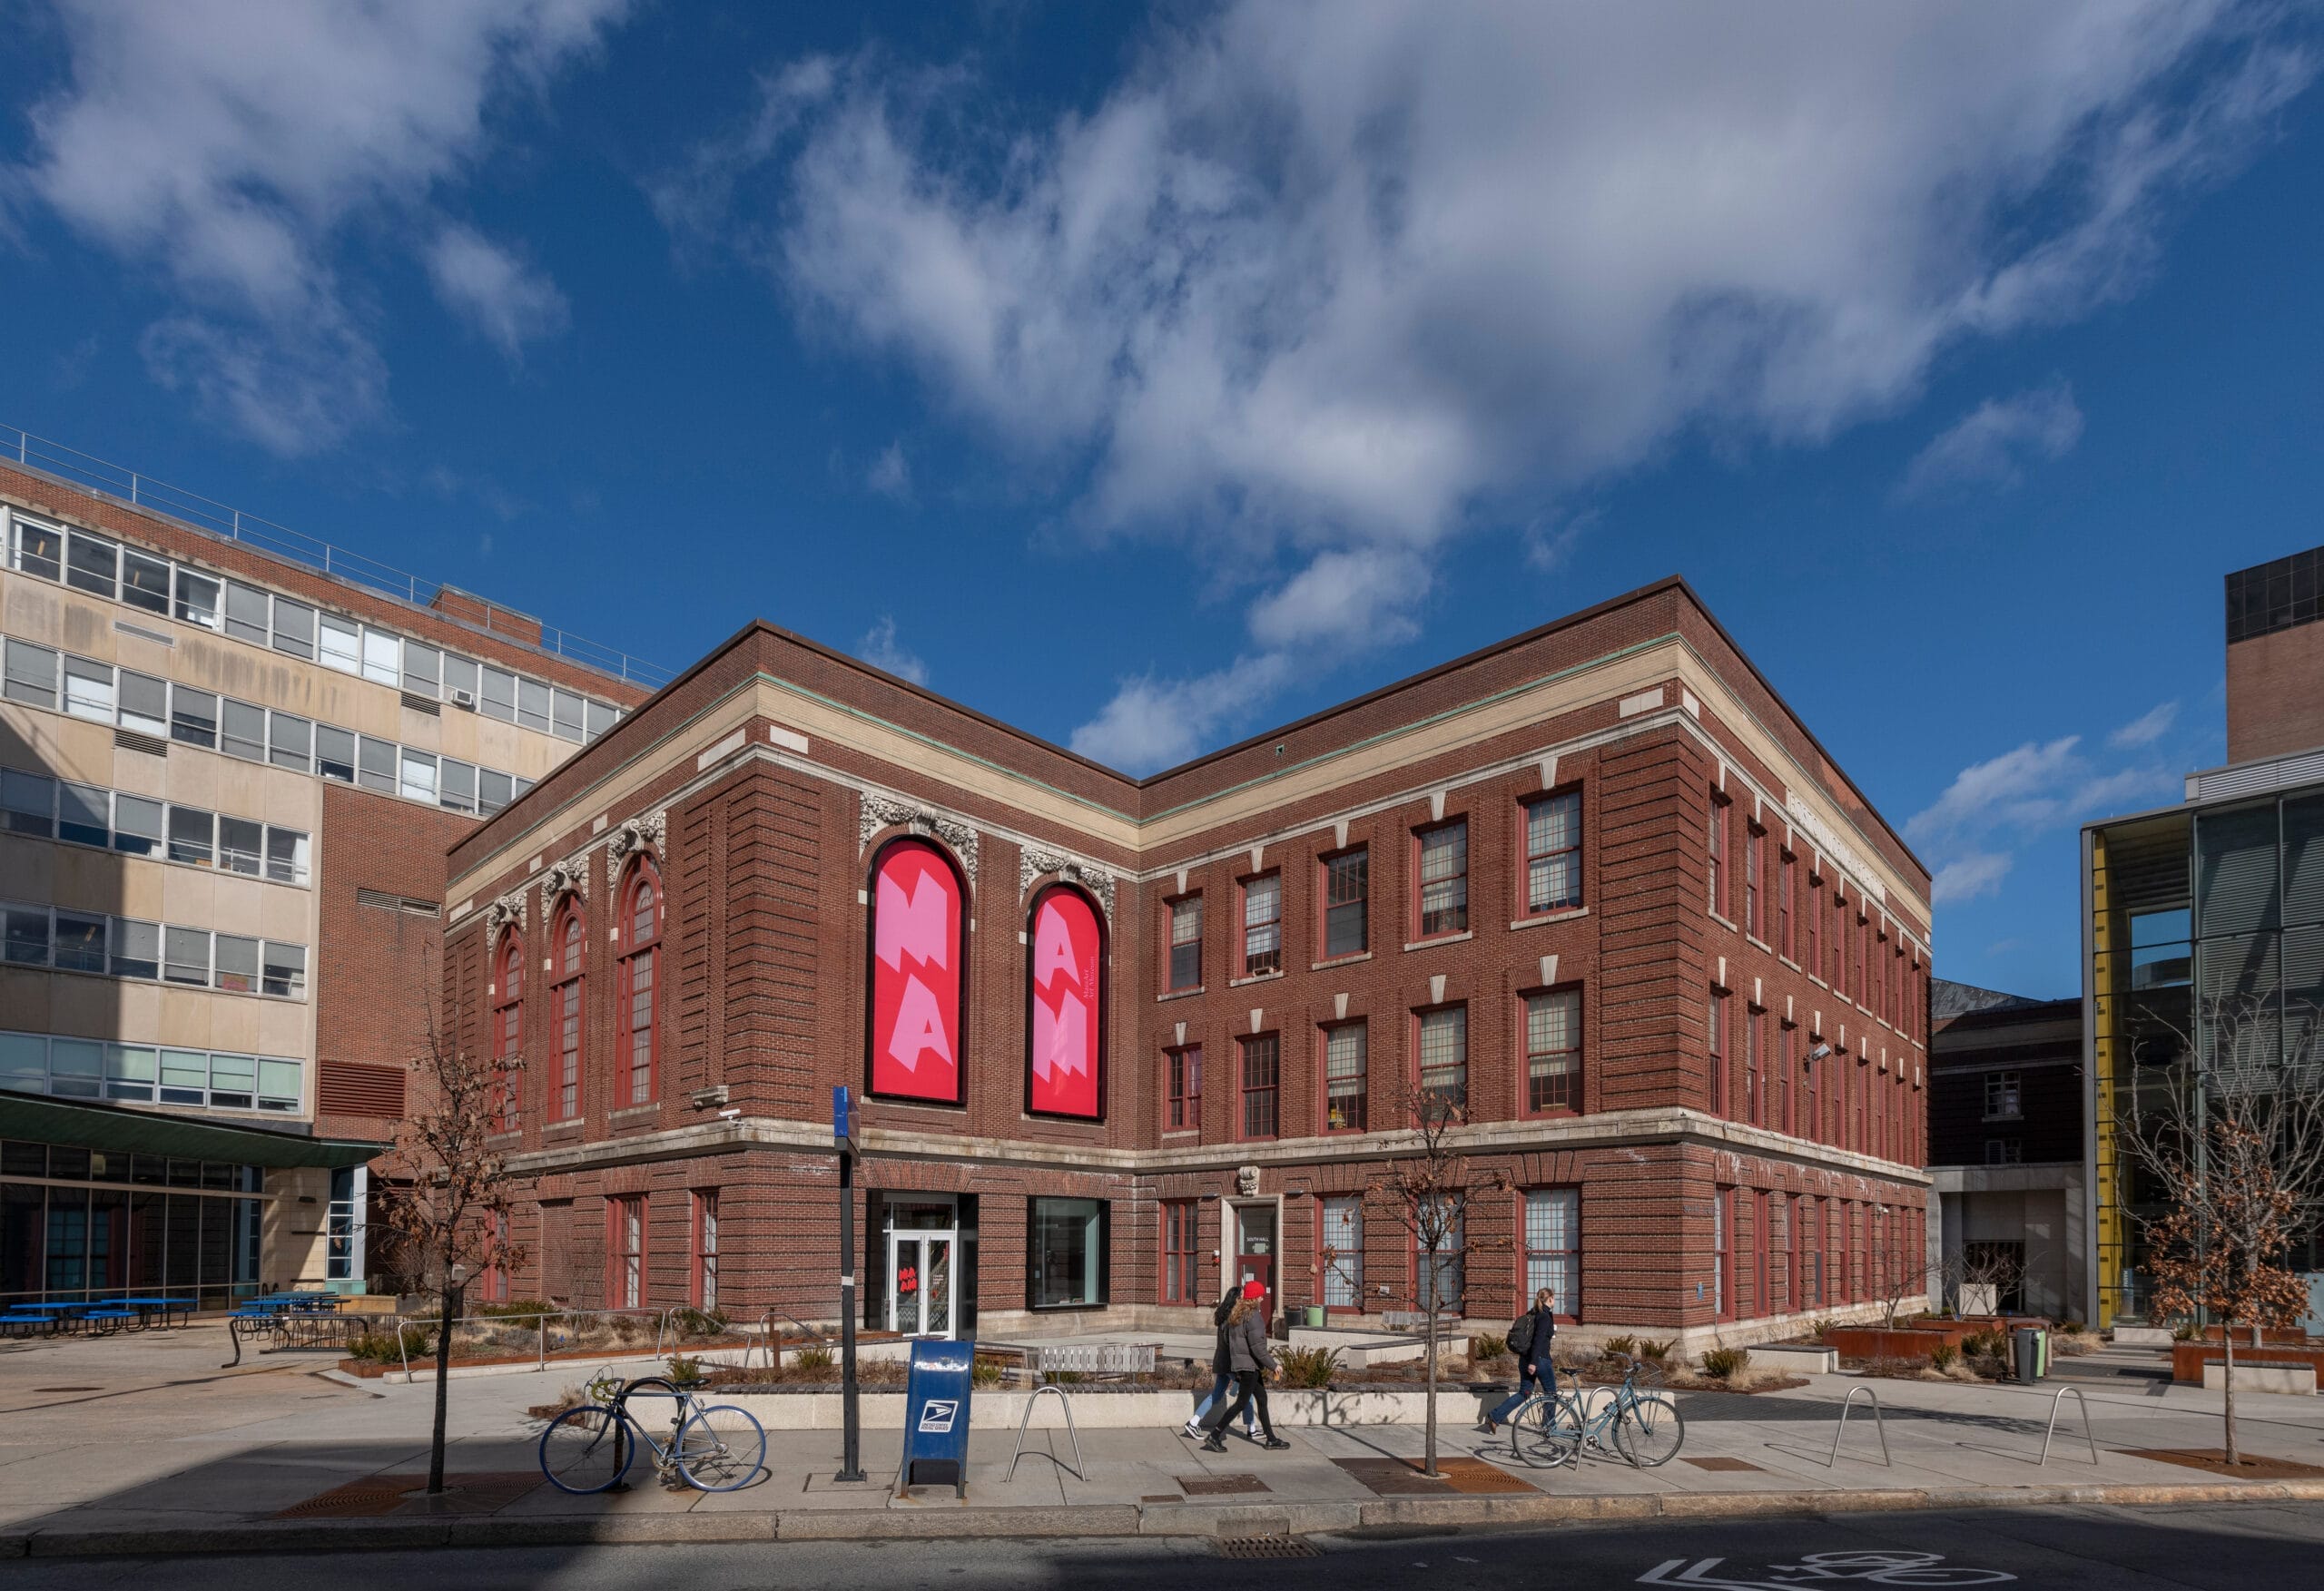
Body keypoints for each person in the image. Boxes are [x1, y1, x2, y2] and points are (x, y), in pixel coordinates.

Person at [1201, 1280, 1290, 1451]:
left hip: (1243, 1365)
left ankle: (1271, 1439)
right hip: (1250, 1366)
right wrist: (1273, 1365)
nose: (1262, 1299)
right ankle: (1214, 1435)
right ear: (1254, 1297)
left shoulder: (1237, 1314)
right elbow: (1258, 1347)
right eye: (1260, 1296)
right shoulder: (1253, 1317)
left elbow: (1231, 1342)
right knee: (1241, 1403)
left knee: (1262, 1398)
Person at [1184, 1285, 1260, 1439]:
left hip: (1222, 1363)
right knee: (1248, 1394)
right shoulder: (1232, 1318)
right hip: (1230, 1364)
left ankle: (1193, 1423)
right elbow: (1233, 1345)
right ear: (1237, 1299)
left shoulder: (1224, 1316)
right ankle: (1251, 1429)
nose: (1245, 1297)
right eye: (1243, 1295)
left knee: (1217, 1395)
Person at [1479, 1288, 1557, 1435]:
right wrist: (1534, 1362)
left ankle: (1495, 1417)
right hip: (1540, 1361)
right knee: (1551, 1394)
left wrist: (1550, 1312)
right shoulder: (1544, 1317)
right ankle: (1549, 1427)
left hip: (1525, 1360)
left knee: (1524, 1393)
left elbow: (1545, 1334)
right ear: (1551, 1298)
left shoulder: (1533, 1313)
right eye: (1554, 1298)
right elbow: (1538, 1341)